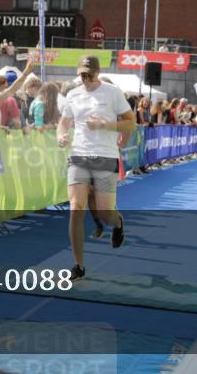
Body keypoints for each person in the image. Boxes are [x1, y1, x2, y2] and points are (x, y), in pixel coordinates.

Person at [57, 55, 135, 280]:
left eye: (88, 74)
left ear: (97, 73)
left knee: (104, 211)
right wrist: (61, 135)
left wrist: (105, 125)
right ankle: (78, 266)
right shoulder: (73, 94)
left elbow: (131, 122)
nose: (84, 78)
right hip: (79, 155)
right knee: (76, 207)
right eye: (81, 73)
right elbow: (64, 122)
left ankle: (117, 222)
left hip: (106, 155)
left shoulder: (112, 92)